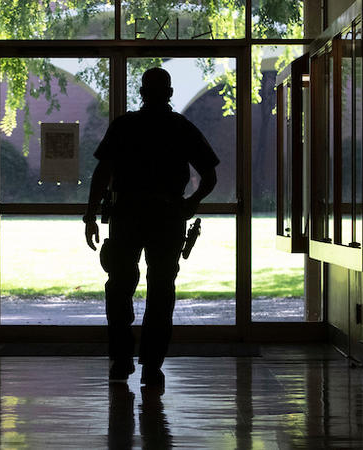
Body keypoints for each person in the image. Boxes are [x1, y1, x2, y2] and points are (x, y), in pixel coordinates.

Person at [83, 67, 219, 387]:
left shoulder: (124, 127)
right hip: (167, 217)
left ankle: (120, 360)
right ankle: (152, 366)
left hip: (125, 216)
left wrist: (90, 216)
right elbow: (210, 176)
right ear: (169, 94)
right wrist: (190, 203)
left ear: (140, 92)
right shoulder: (181, 128)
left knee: (118, 288)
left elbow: (102, 173)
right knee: (161, 291)